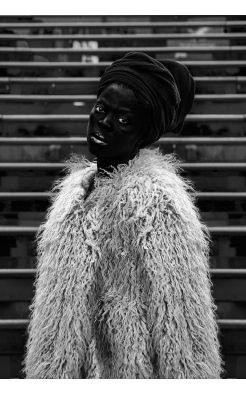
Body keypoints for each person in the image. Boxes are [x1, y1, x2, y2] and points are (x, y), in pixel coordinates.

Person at [24, 52, 222, 379]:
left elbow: (184, 318)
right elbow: (54, 309)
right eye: (101, 109)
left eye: (124, 119)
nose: (104, 122)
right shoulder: (73, 193)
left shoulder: (158, 203)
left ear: (142, 134)